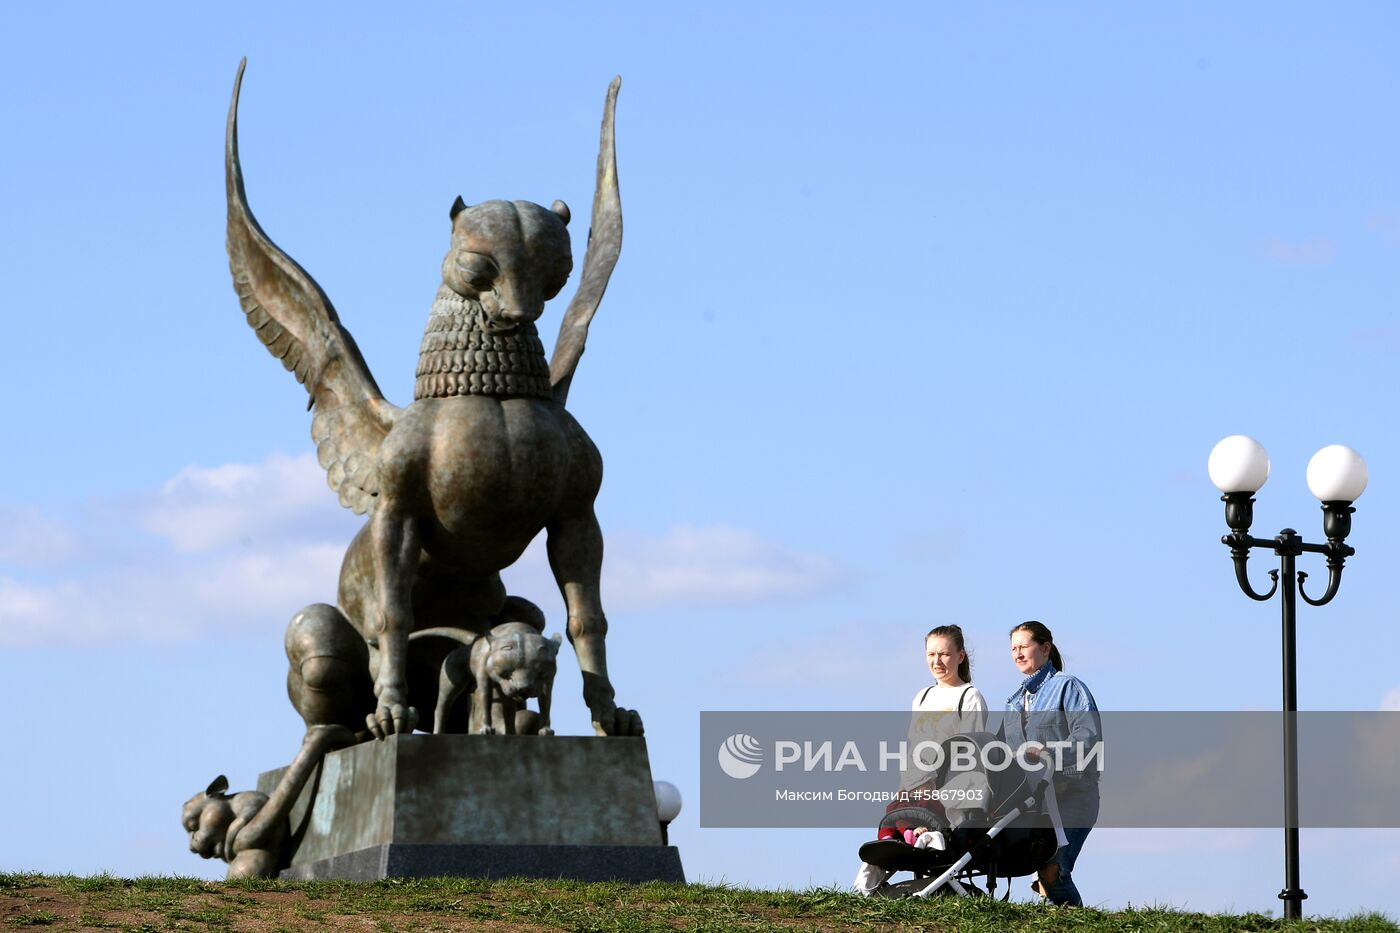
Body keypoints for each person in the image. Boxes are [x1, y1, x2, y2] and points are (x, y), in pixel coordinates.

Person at [853, 625, 988, 895]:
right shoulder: (922, 697)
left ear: (960, 656)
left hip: (948, 790)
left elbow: (967, 754)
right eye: (931, 654)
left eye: (945, 654)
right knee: (896, 819)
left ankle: (922, 836)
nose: (937, 661)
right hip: (913, 787)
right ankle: (869, 881)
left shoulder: (969, 696)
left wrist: (935, 786)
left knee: (921, 821)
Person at [1000, 621, 1102, 907]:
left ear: (1045, 648)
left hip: (1074, 794)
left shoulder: (1068, 686)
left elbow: (1089, 737)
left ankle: (1081, 926)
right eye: (1013, 649)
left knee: (1052, 870)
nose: (1018, 654)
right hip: (1035, 801)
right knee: (1044, 876)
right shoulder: (1012, 703)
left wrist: (1049, 752)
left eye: (1024, 646)